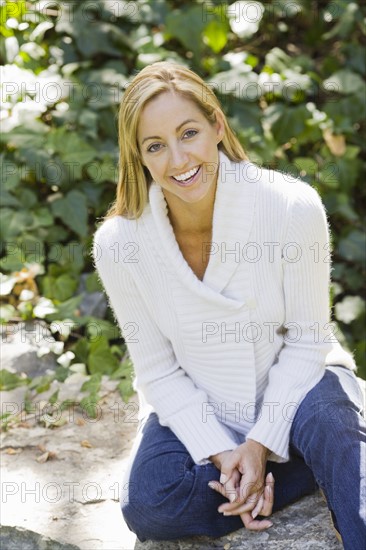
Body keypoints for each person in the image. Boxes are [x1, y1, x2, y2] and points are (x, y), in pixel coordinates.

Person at [93, 61, 365, 549]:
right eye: (155, 146)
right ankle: (290, 471)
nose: (178, 159)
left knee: (335, 436)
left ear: (217, 125)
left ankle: (321, 459)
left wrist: (261, 444)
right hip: (206, 403)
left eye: (189, 133)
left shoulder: (290, 206)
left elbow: (307, 344)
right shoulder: (119, 243)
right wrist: (223, 452)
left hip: (299, 386)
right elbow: (157, 372)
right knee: (151, 502)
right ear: (139, 157)